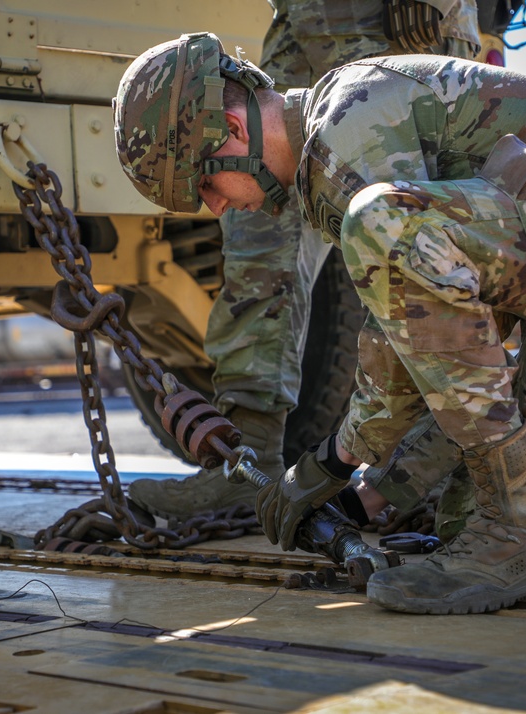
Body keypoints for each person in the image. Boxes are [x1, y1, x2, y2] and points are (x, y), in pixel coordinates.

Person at [113, 32, 526, 615]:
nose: (212, 204)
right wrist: (372, 497)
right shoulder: (330, 161)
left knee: (381, 224)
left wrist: (331, 464)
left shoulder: (350, 123)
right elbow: (454, 351)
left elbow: (401, 351)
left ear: (230, 132)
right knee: (472, 510)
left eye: (203, 185)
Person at [127, 0, 483, 520]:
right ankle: (247, 460)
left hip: (396, 19)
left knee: (422, 250)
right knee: (256, 224)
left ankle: (427, 467)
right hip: (305, 18)